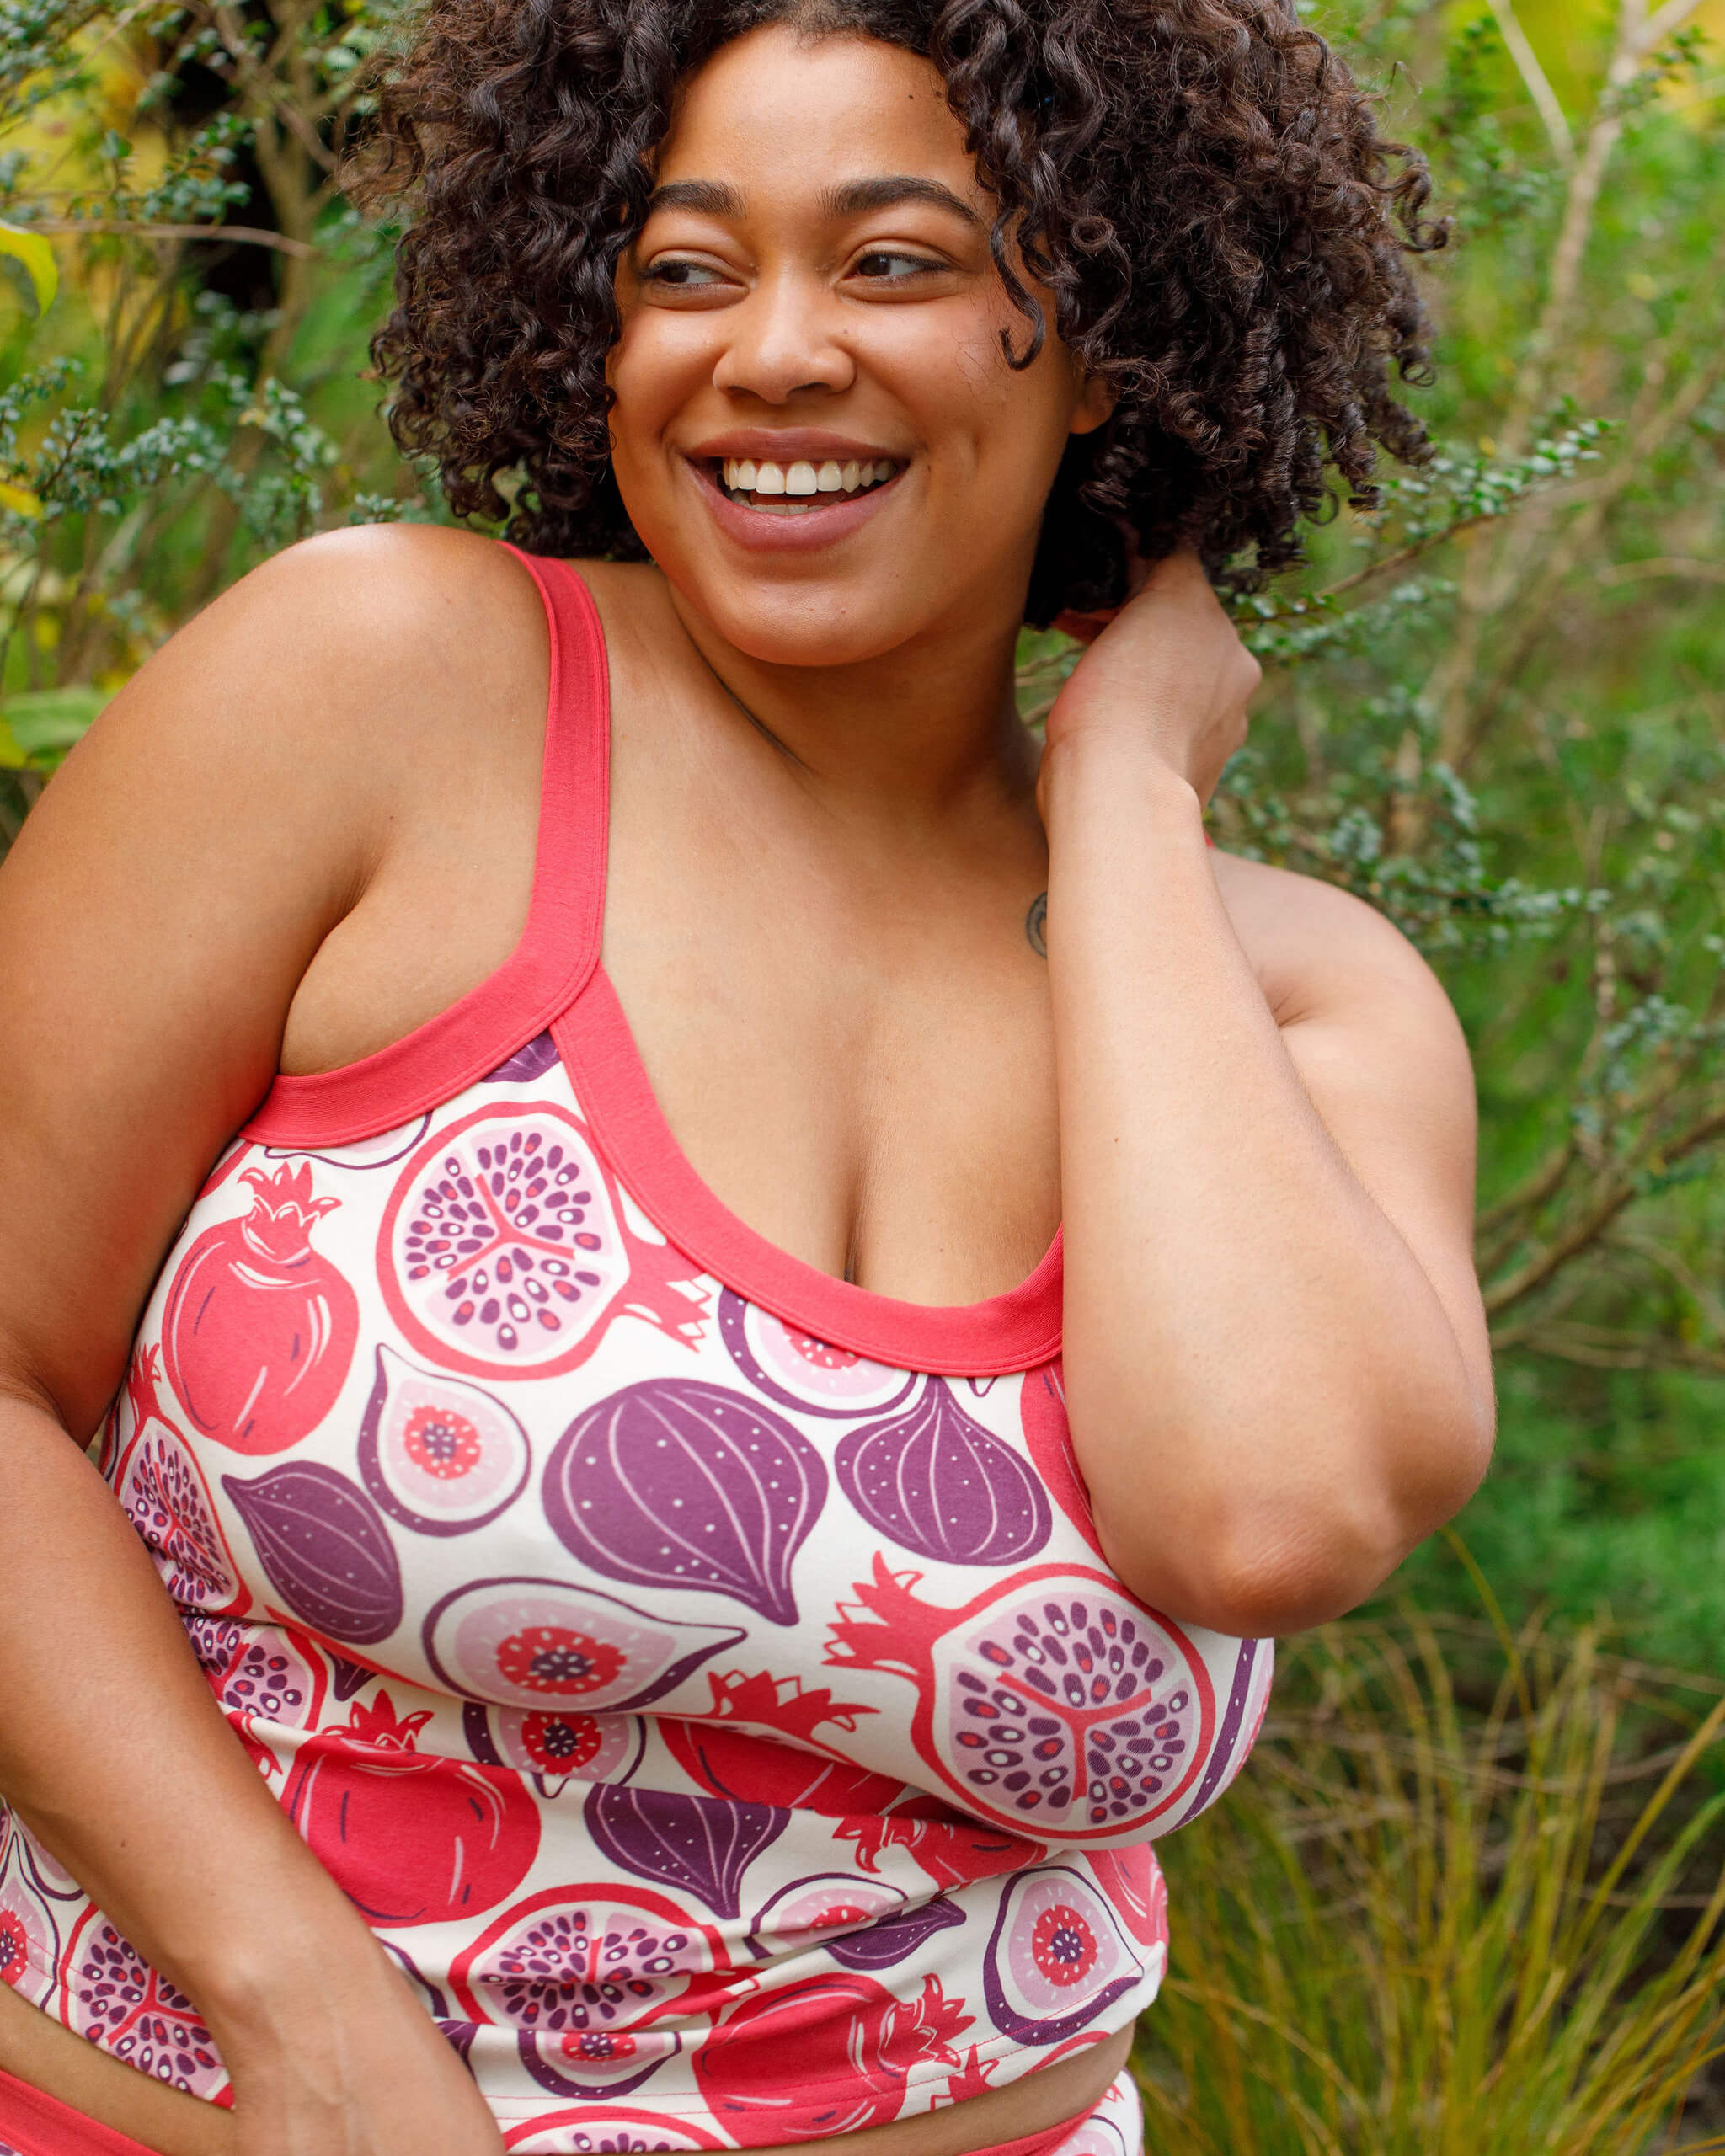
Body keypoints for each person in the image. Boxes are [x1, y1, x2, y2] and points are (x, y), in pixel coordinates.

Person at [0, 2, 1494, 2151]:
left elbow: (1260, 1511)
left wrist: (1126, 793)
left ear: (1109, 338)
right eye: (683, 271)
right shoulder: (385, 695)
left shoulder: (1288, 1001)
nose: (770, 352)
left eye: (893, 262)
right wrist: (293, 2000)